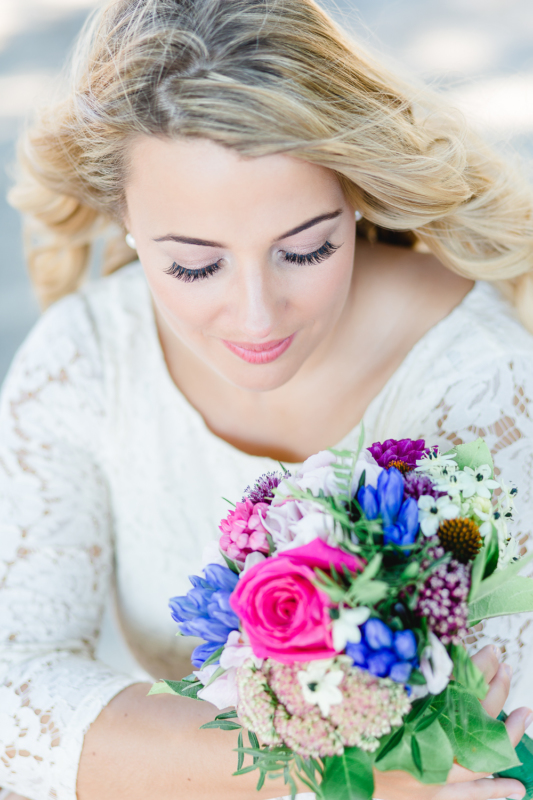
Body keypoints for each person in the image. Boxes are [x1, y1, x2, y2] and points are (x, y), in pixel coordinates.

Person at [1, 0, 533, 798]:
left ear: (355, 195)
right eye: (193, 266)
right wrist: (344, 783)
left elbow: (476, 735)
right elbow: (15, 692)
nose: (255, 317)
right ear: (127, 220)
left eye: (306, 247)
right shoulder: (86, 359)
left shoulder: (482, 382)